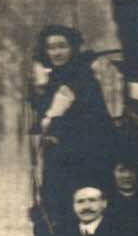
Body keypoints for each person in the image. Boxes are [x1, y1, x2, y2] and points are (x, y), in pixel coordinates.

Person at [31, 25, 115, 222]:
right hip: (58, 159)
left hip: (85, 158)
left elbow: (92, 119)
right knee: (56, 211)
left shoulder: (83, 77)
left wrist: (53, 122)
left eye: (62, 46)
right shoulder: (52, 80)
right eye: (51, 47)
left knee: (81, 211)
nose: (56, 52)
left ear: (72, 48)